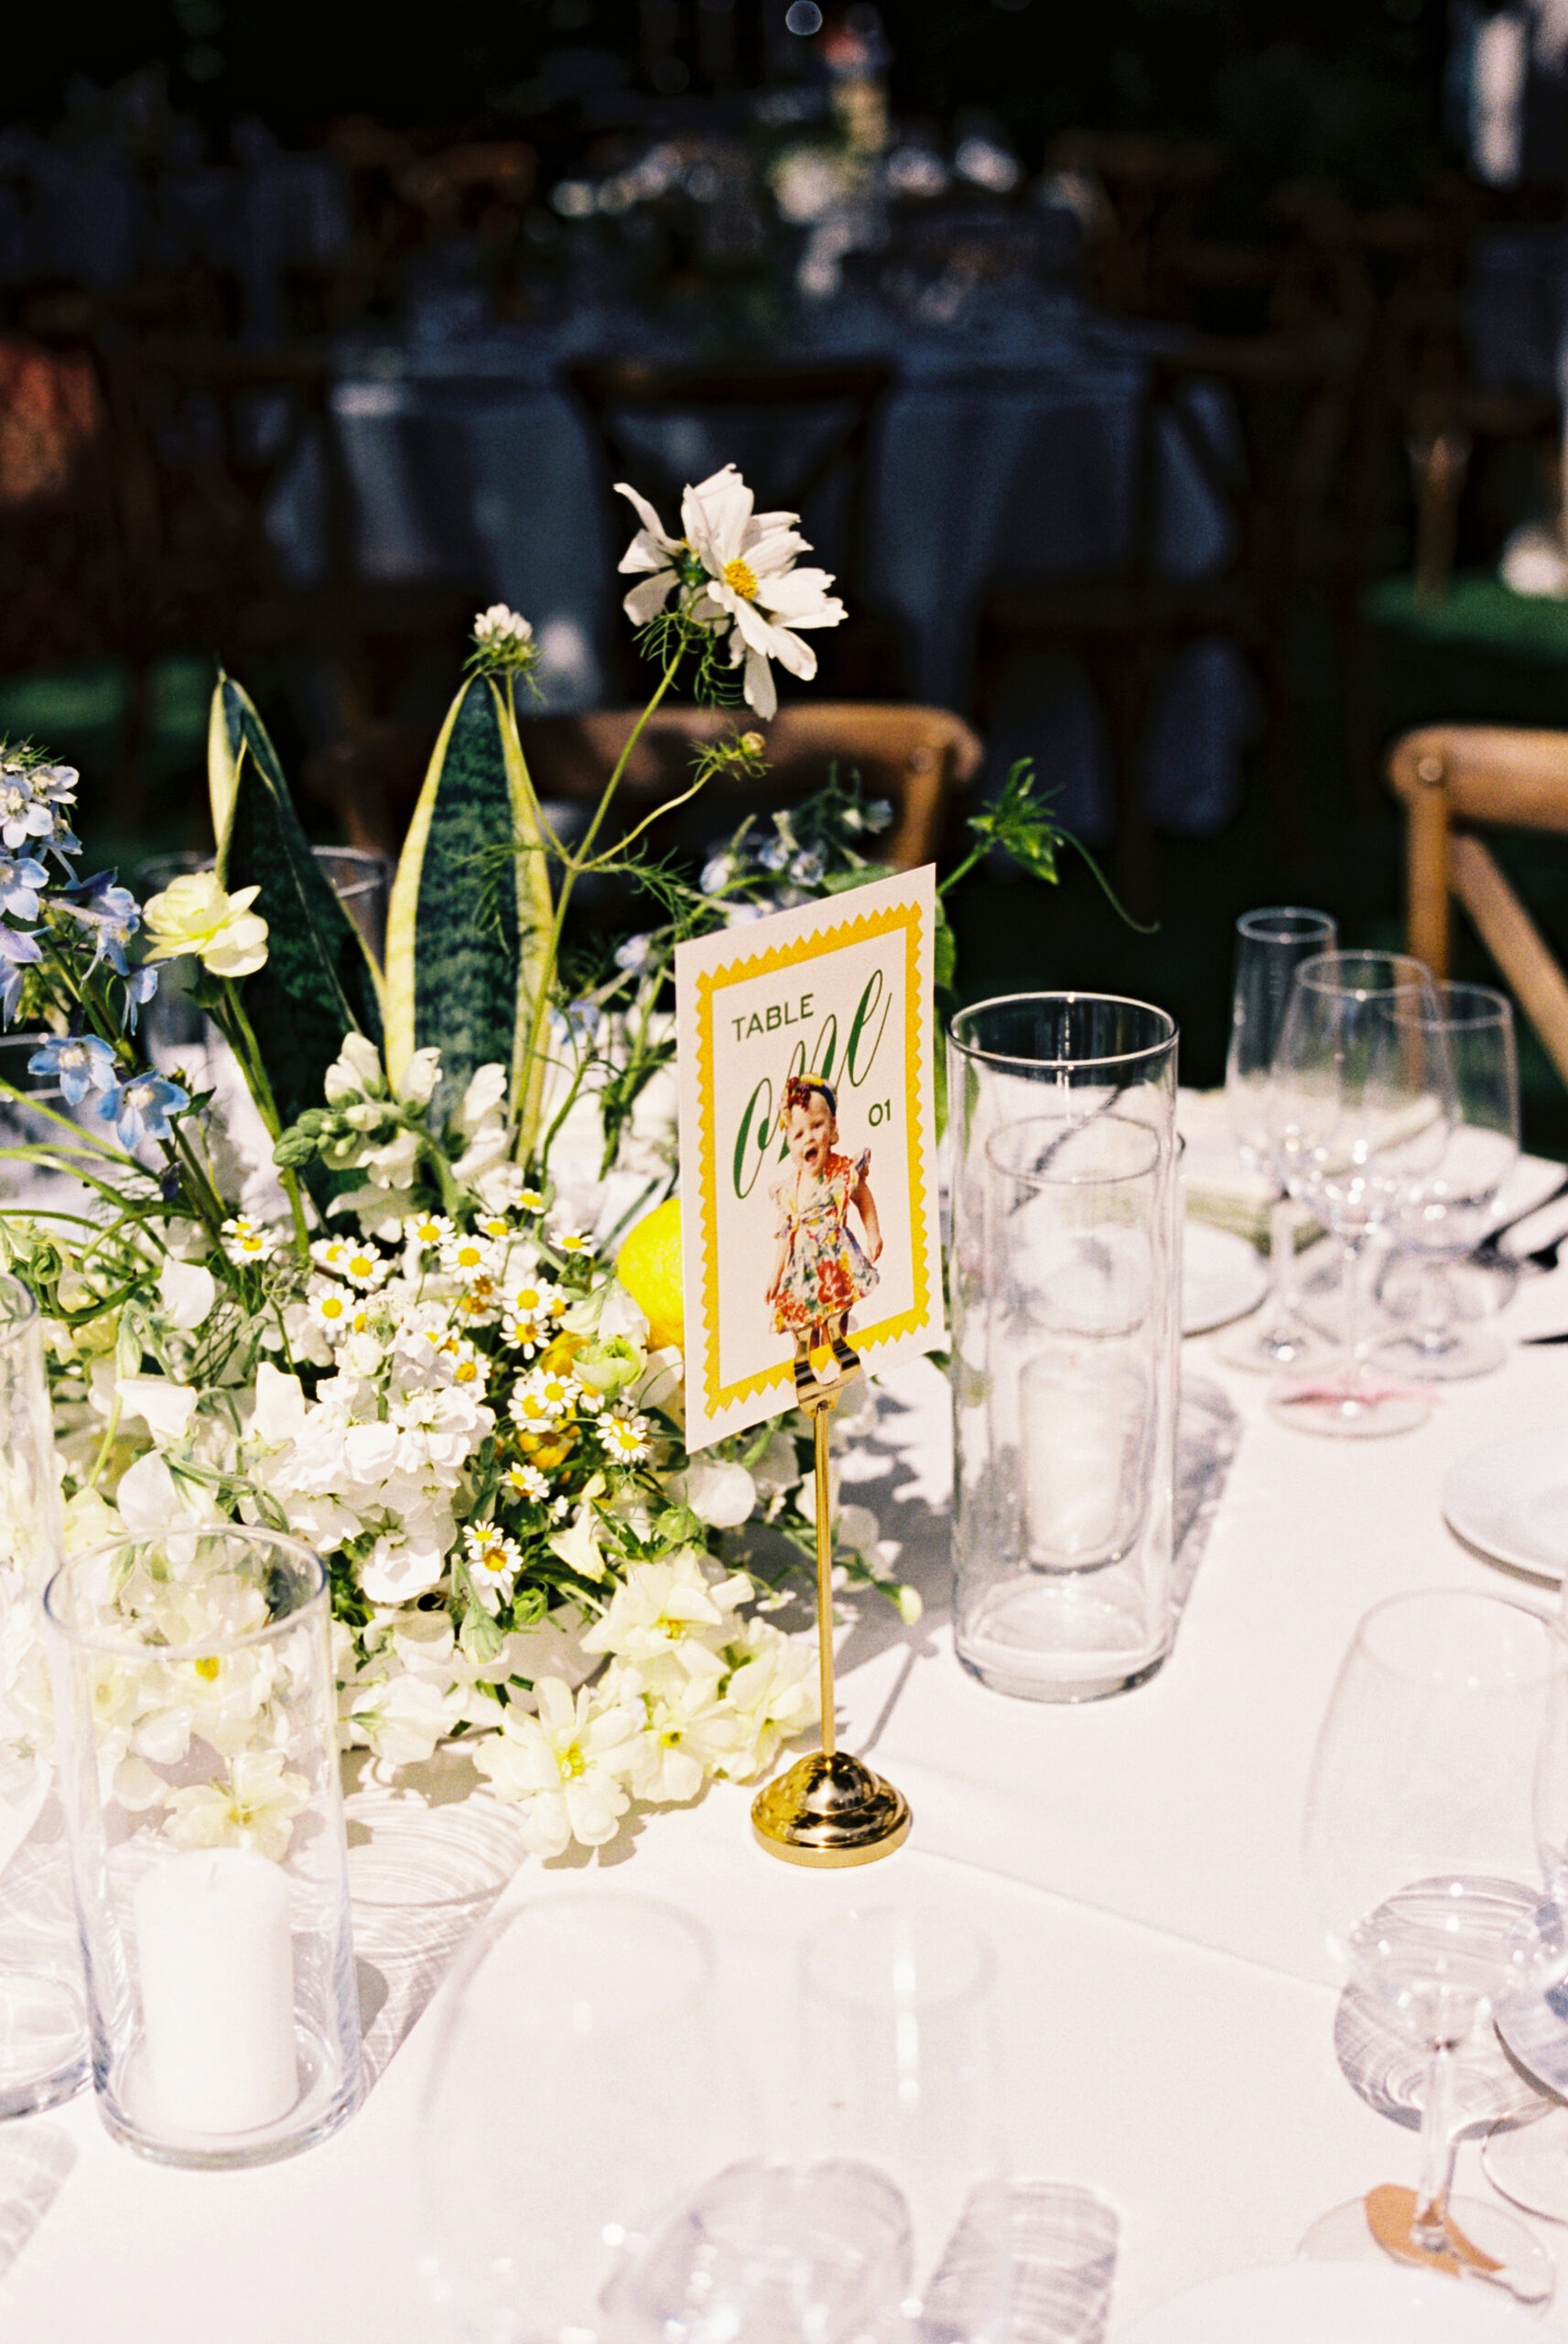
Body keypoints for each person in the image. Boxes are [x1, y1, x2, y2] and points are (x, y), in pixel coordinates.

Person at [766, 1071, 881, 1403]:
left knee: (835, 1310)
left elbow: (862, 1197)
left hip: (834, 1256)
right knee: (802, 1318)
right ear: (789, 1145)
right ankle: (803, 1361)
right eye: (798, 1133)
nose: (809, 1139)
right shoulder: (789, 1189)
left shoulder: (842, 1172)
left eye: (817, 1126)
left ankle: (838, 1346)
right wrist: (776, 1275)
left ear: (833, 1129)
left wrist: (873, 1232)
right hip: (802, 1266)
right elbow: (785, 1235)